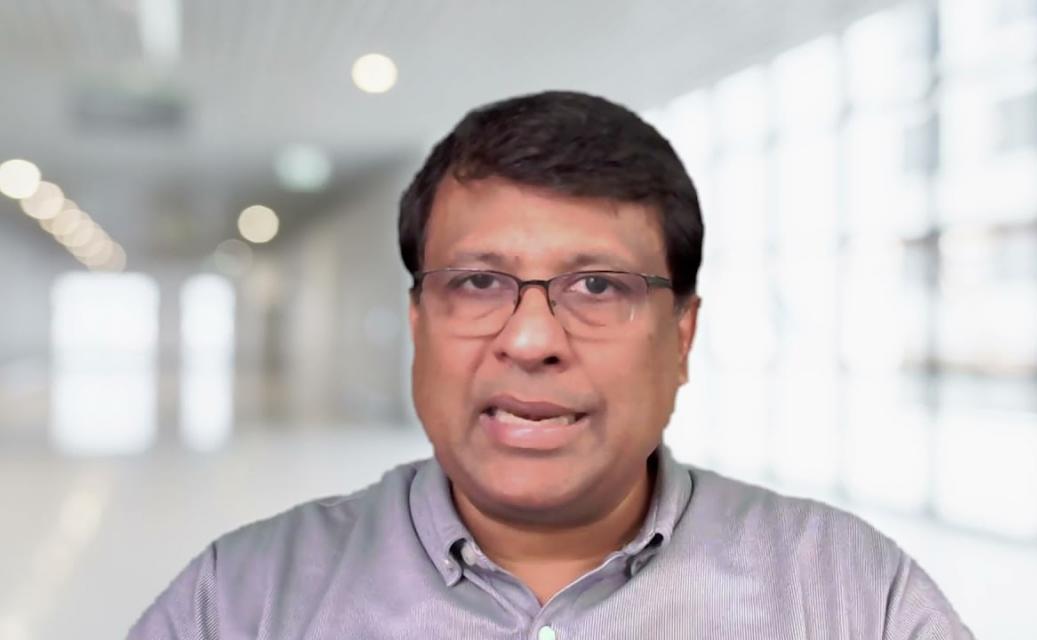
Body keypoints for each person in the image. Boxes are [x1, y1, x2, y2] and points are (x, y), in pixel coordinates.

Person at [129, 90, 973, 639]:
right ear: (419, 323)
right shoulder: (243, 600)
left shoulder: (851, 596)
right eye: (477, 282)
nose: (532, 340)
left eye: (598, 285)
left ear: (682, 337)